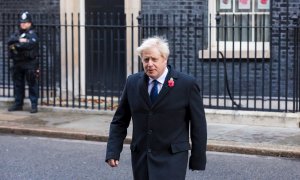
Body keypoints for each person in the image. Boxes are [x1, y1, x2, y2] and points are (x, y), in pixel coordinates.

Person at [105, 36, 207, 180]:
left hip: (172, 159)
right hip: (142, 158)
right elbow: (120, 121)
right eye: (146, 60)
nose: (150, 64)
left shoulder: (186, 84)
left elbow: (199, 125)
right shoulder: (132, 82)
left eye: (154, 59)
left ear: (165, 59)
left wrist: (198, 159)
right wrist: (113, 151)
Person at [7, 11, 39, 113]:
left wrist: (17, 44)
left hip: (30, 63)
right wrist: (19, 41)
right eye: (21, 22)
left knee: (32, 85)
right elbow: (9, 41)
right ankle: (18, 104)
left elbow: (30, 45)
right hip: (18, 63)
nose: (23, 24)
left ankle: (34, 105)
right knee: (18, 85)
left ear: (30, 23)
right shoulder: (17, 33)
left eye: (25, 22)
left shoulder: (32, 33)